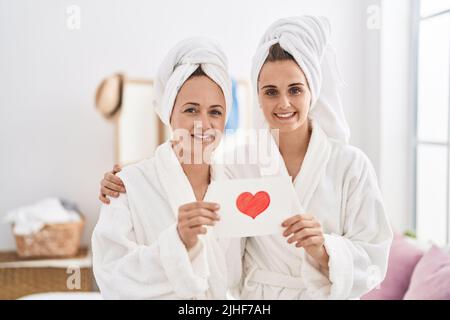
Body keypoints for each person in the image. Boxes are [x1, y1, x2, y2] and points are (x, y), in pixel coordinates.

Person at [99, 16, 393, 300]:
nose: (283, 103)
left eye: (295, 89)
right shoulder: (238, 166)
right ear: (258, 97)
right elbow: (187, 171)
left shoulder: (351, 166)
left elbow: (375, 258)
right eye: (270, 92)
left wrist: (325, 250)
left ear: (312, 92)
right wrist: (129, 177)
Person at [92, 37, 242, 299]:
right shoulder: (127, 186)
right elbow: (111, 276)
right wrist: (177, 244)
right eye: (191, 110)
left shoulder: (236, 186)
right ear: (169, 113)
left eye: (215, 112)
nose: (204, 124)